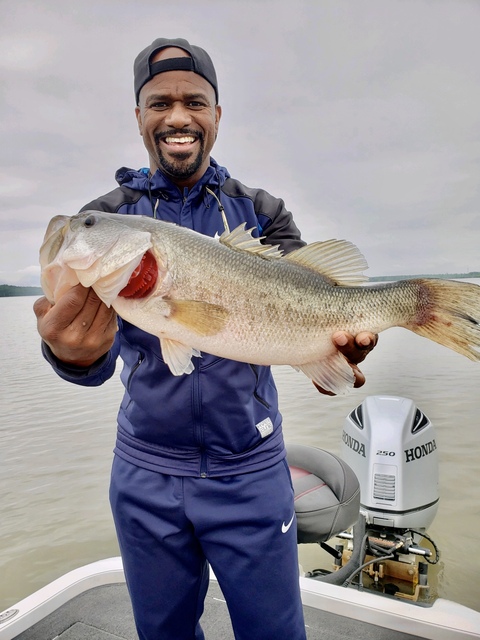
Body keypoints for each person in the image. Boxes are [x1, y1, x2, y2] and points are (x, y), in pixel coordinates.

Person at [34, 38, 377, 640]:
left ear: (217, 115)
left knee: (275, 631)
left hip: (250, 468)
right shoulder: (112, 212)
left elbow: (309, 311)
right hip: (145, 469)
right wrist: (72, 355)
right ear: (139, 117)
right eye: (158, 102)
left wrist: (337, 350)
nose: (177, 116)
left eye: (194, 101)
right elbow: (94, 357)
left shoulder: (262, 211)